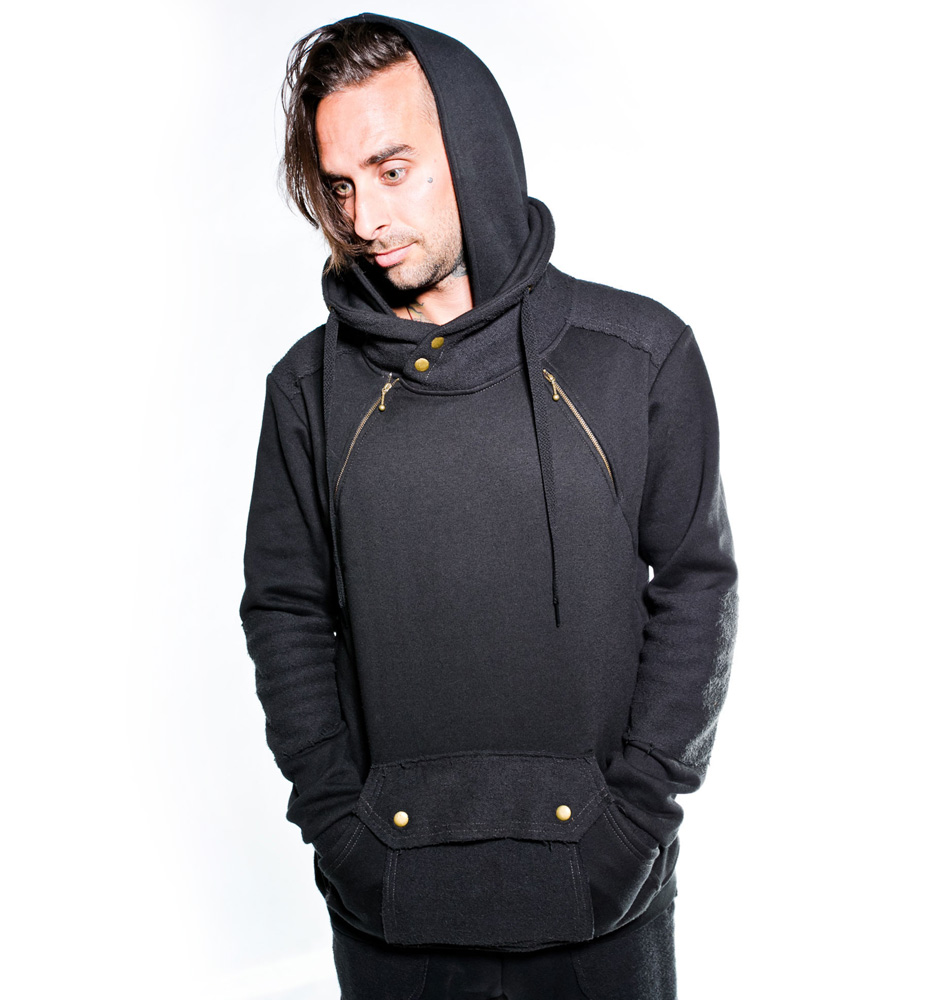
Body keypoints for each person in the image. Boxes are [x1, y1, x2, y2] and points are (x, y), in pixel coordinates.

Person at [239, 13, 738, 1000]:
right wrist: (340, 830)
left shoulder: (637, 357)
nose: (364, 218)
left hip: (602, 900)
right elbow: (285, 610)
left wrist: (637, 819)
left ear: (474, 149)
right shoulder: (308, 389)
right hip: (393, 906)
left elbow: (697, 588)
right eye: (341, 186)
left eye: (392, 170)